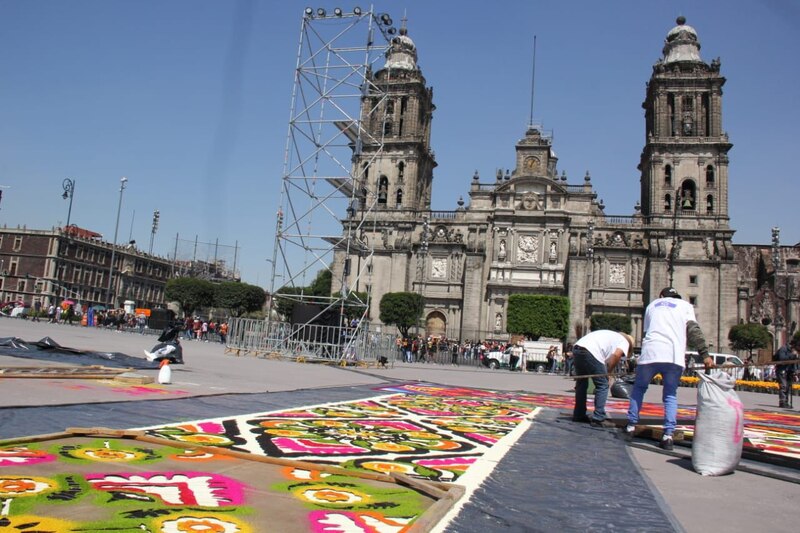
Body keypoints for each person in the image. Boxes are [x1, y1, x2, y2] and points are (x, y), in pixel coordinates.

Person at [624, 287, 714, 450]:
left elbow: (647, 331)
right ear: (677, 297)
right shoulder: (685, 306)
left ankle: (630, 426)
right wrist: (705, 354)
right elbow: (694, 331)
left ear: (661, 296)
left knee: (639, 389)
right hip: (673, 355)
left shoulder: (652, 305)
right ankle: (668, 436)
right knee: (670, 395)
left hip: (651, 353)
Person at [572, 330, 634, 427]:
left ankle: (578, 414)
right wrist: (608, 373)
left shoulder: (611, 336)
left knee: (581, 383)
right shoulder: (624, 342)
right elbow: (617, 355)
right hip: (591, 351)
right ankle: (598, 417)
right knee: (603, 384)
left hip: (577, 348)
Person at [774, 339, 798, 408]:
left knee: (788, 386)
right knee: (783, 386)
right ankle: (782, 402)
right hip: (782, 370)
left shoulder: (793, 351)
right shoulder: (783, 348)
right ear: (792, 345)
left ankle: (786, 401)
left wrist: (794, 371)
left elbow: (794, 362)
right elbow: (782, 358)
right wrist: (792, 355)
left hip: (789, 371)